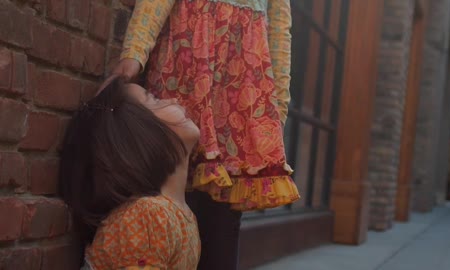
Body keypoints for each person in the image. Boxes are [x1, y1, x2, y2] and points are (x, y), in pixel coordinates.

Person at [111, 0, 299, 269]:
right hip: (186, 72)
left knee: (222, 214)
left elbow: (280, 31)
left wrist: (276, 108)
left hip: (240, 90)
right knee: (163, 183)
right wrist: (134, 54)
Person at [59, 77, 201, 270]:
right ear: (138, 135)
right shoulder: (148, 215)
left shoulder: (179, 214)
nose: (174, 100)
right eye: (156, 100)